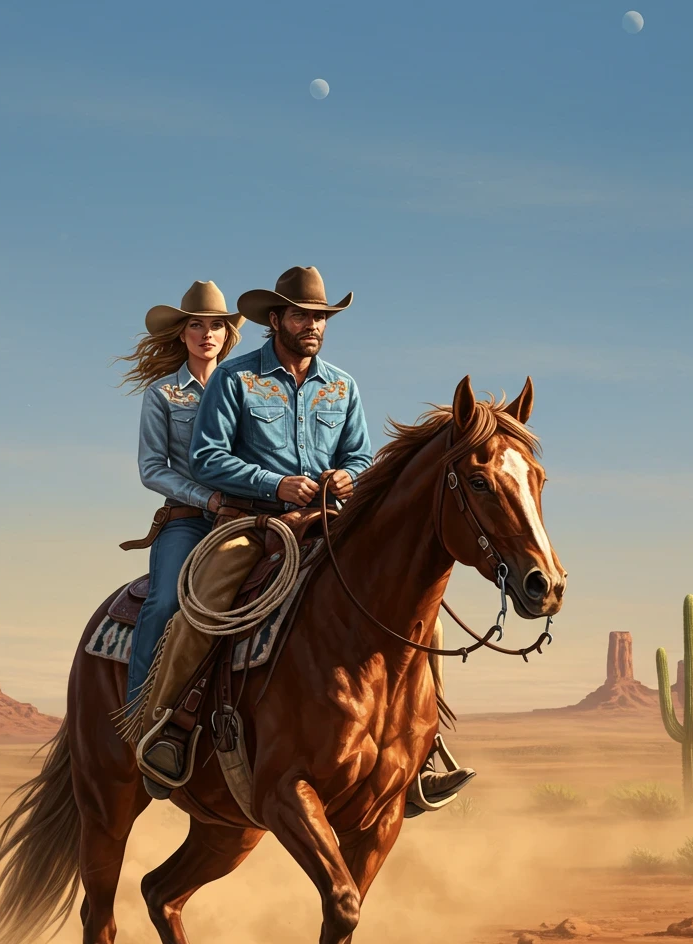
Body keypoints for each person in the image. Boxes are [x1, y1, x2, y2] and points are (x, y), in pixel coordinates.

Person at [137, 266, 475, 813]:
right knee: (204, 600)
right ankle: (170, 727)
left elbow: (361, 456)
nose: (314, 325)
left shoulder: (343, 386)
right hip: (254, 522)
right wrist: (276, 483)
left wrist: (348, 476)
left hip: (330, 520)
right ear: (277, 320)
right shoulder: (237, 380)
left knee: (419, 608)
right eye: (303, 315)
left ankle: (423, 745)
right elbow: (206, 458)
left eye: (321, 317)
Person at [117, 280, 243, 713]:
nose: (207, 333)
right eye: (196, 325)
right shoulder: (163, 395)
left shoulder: (247, 391)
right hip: (188, 519)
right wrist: (205, 499)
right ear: (182, 333)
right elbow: (152, 468)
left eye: (216, 325)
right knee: (166, 600)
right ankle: (139, 712)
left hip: (249, 517)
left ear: (227, 334)